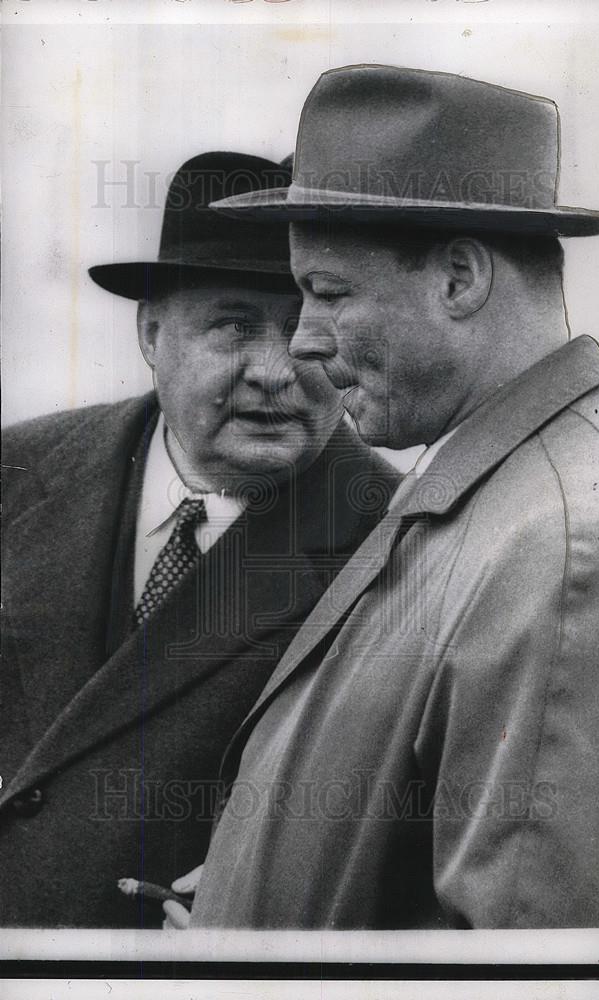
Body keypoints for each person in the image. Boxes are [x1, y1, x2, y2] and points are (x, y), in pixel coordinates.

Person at [183, 67, 599, 929]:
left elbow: (531, 971)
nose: (305, 342)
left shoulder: (566, 547)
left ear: (459, 278)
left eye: (328, 293)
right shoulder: (500, 481)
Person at [0, 150, 399, 928]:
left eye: (303, 326)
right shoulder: (18, 473)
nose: (276, 371)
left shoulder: (401, 537)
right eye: (232, 325)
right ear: (151, 333)